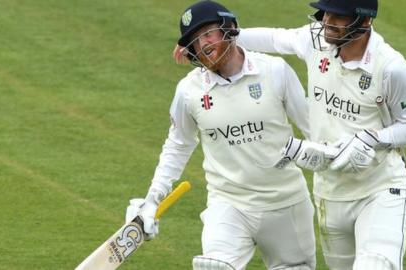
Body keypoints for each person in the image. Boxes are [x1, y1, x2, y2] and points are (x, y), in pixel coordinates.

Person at [174, 0, 406, 269]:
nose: (327, 21)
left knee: (376, 265)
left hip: (380, 185)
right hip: (331, 190)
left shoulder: (391, 67)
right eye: (326, 12)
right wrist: (207, 43)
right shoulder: (315, 41)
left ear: (364, 21)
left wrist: (369, 139)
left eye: (338, 16)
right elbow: (273, 38)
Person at [126, 1, 339, 269]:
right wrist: (153, 197)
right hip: (228, 205)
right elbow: (178, 145)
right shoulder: (189, 91)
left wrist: (338, 157)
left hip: (286, 204)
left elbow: (314, 127)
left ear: (229, 29)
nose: (202, 45)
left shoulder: (274, 71)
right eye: (194, 40)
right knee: (214, 266)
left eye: (207, 34)